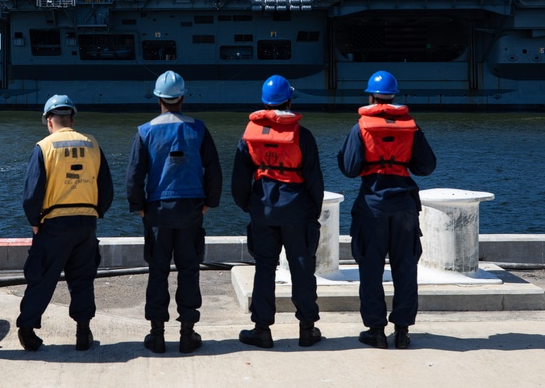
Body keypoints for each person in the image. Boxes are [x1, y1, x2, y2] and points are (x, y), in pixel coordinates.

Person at [337, 70, 437, 350]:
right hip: (404, 207)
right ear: (394, 96)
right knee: (405, 269)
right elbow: (427, 166)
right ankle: (402, 332)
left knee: (370, 270)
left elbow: (348, 168)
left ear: (371, 96)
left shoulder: (361, 127)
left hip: (372, 206)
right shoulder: (411, 127)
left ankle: (376, 331)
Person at [126, 71, 222, 354]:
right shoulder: (199, 129)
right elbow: (214, 170)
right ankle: (187, 333)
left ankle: (157, 335)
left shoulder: (145, 131)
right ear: (182, 97)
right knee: (189, 270)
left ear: (158, 99)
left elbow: (134, 175)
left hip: (157, 210)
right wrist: (209, 202)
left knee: (157, 271)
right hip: (191, 209)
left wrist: (139, 206)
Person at [232, 75, 324, 349]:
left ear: (264, 103)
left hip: (263, 210)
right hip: (297, 210)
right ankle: (307, 329)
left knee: (264, 269)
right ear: (289, 100)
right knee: (302, 268)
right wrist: (312, 212)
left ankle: (262, 329)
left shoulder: (249, 136)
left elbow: (239, 183)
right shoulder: (303, 136)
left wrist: (251, 205)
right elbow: (315, 181)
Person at [16, 94, 114, 352]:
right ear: (72, 118)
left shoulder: (44, 147)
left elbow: (31, 193)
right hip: (86, 224)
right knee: (82, 279)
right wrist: (95, 214)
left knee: (41, 278)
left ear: (49, 121)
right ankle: (83, 331)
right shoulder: (93, 144)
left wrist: (34, 222)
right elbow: (106, 189)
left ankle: (27, 330)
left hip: (53, 225)